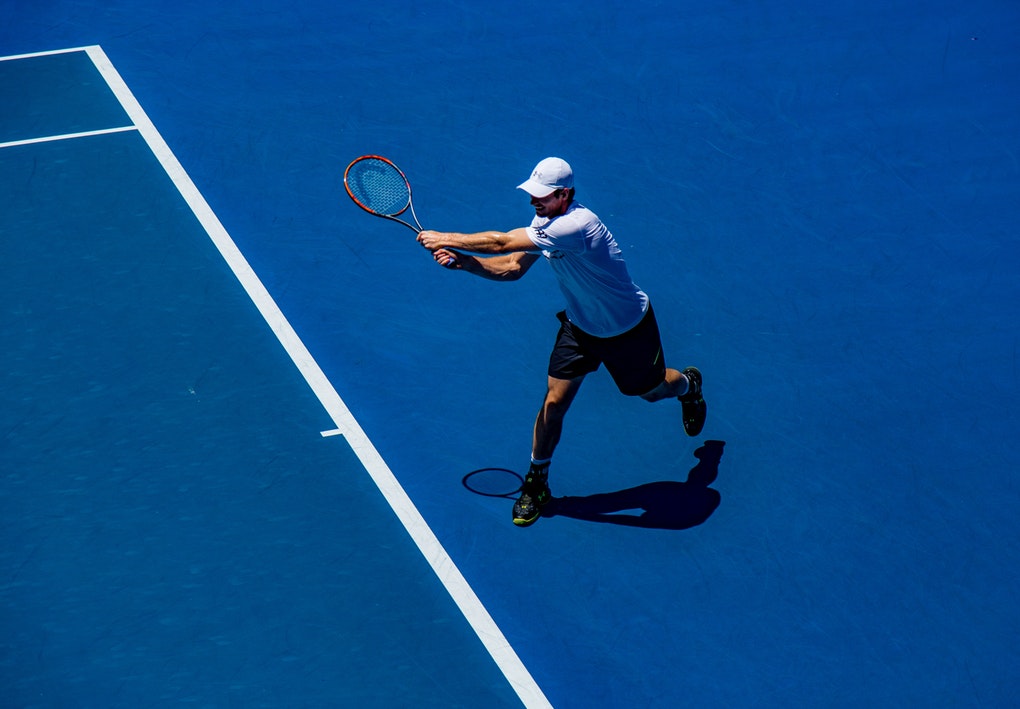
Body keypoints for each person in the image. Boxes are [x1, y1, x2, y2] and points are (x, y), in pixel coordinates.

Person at [417, 157, 706, 527]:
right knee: (554, 403)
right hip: (580, 328)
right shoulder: (545, 222)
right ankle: (537, 482)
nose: (534, 201)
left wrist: (444, 237)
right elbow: (512, 267)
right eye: (532, 194)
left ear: (564, 194)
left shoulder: (577, 225)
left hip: (628, 329)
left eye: (542, 195)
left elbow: (501, 242)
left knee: (650, 392)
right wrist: (466, 263)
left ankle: (688, 385)